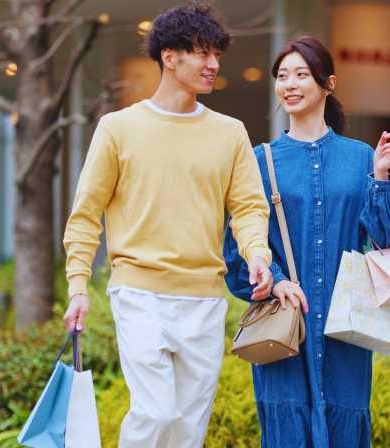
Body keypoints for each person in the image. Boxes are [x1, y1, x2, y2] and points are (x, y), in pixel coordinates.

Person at [61, 3, 274, 447]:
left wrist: (257, 254)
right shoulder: (117, 128)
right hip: (139, 293)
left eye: (217, 54)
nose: (214, 64)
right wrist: (78, 285)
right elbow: (86, 213)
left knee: (187, 432)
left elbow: (249, 208)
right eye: (202, 53)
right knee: (155, 413)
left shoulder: (230, 132)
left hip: (204, 299)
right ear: (169, 57)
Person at [223, 36, 390, 447]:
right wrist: (274, 279)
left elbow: (388, 237)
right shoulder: (259, 160)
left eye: (301, 74)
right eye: (282, 76)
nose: (289, 84)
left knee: (345, 424)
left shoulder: (361, 157)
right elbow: (237, 246)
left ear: (328, 83)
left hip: (345, 329)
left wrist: (380, 176)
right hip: (284, 327)